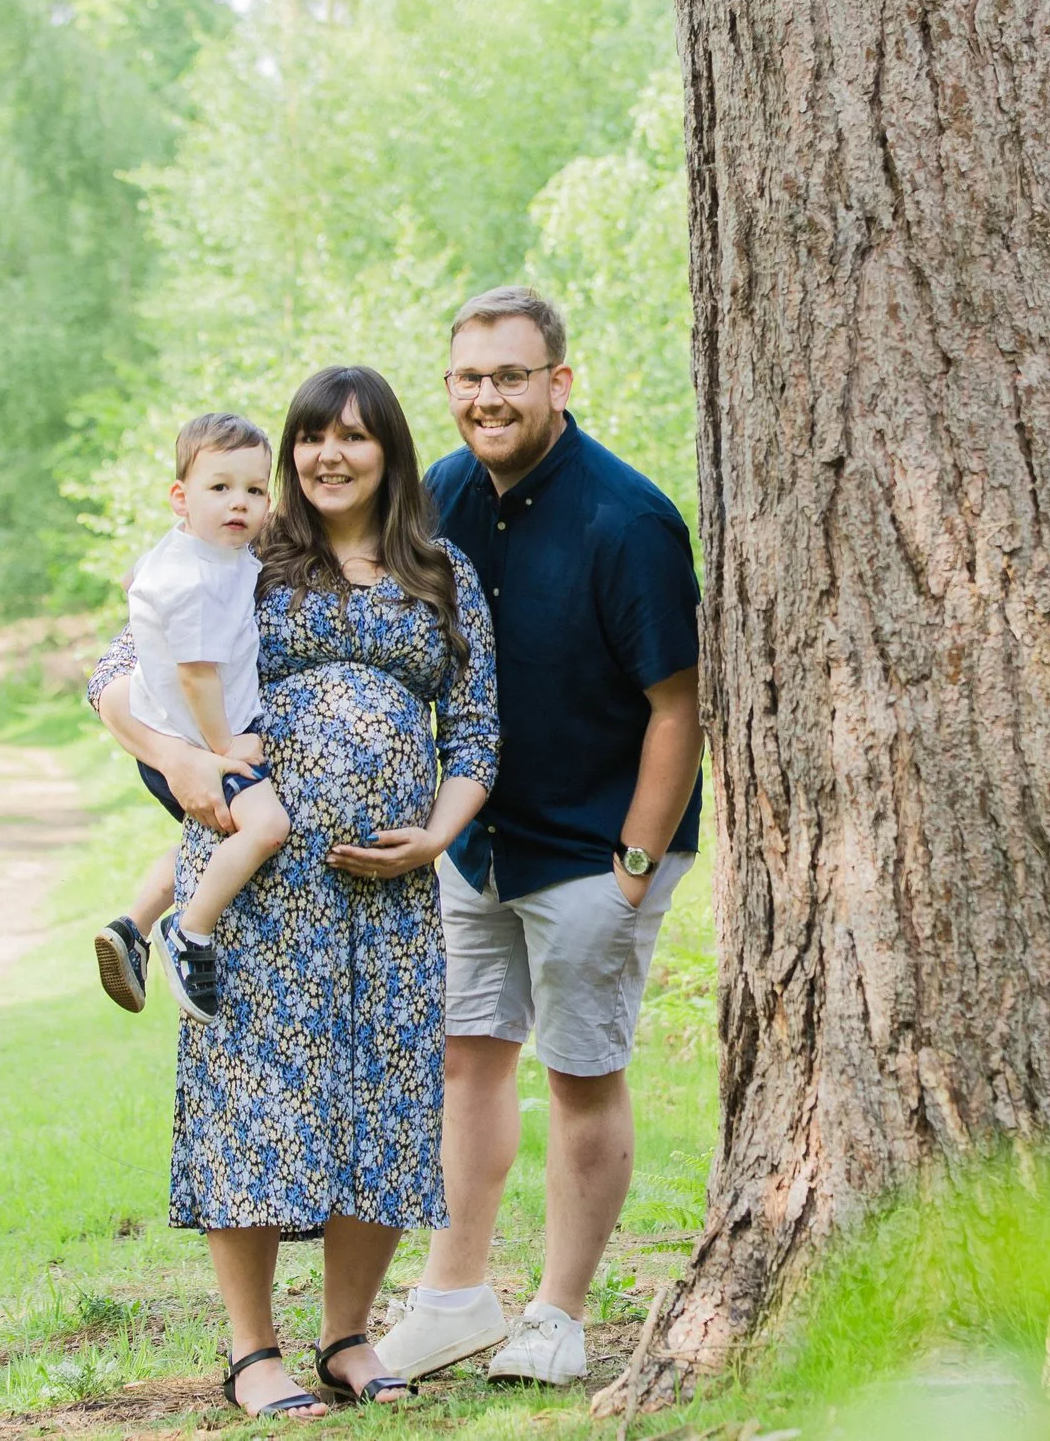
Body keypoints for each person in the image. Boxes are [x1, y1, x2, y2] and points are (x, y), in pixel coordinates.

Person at [86, 365, 497, 1419]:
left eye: (354, 438)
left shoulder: (442, 572)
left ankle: (349, 1335)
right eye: (311, 438)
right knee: (255, 1101)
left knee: (383, 1100)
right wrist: (176, 764)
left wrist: (436, 838)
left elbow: (479, 731)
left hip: (390, 895)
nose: (329, 455)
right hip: (265, 896)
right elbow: (118, 667)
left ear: (389, 452)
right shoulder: (248, 559)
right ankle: (252, 1348)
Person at [376, 286, 704, 1388]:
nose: (486, 396)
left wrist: (637, 864)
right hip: (477, 842)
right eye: (469, 377)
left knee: (578, 1072)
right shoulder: (440, 496)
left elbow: (678, 702)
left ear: (559, 382)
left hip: (596, 849)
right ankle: (453, 1296)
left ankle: (558, 1311)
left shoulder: (630, 518)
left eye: (510, 375)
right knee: (469, 1058)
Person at [92, 413, 292, 1024]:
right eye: (220, 489)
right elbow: (196, 675)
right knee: (265, 829)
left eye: (255, 492)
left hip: (190, 739)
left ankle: (133, 926)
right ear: (181, 498)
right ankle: (191, 933)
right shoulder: (197, 580)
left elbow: (134, 579)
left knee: (206, 841)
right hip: (195, 745)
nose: (241, 504)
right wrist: (222, 749)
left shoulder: (195, 551)